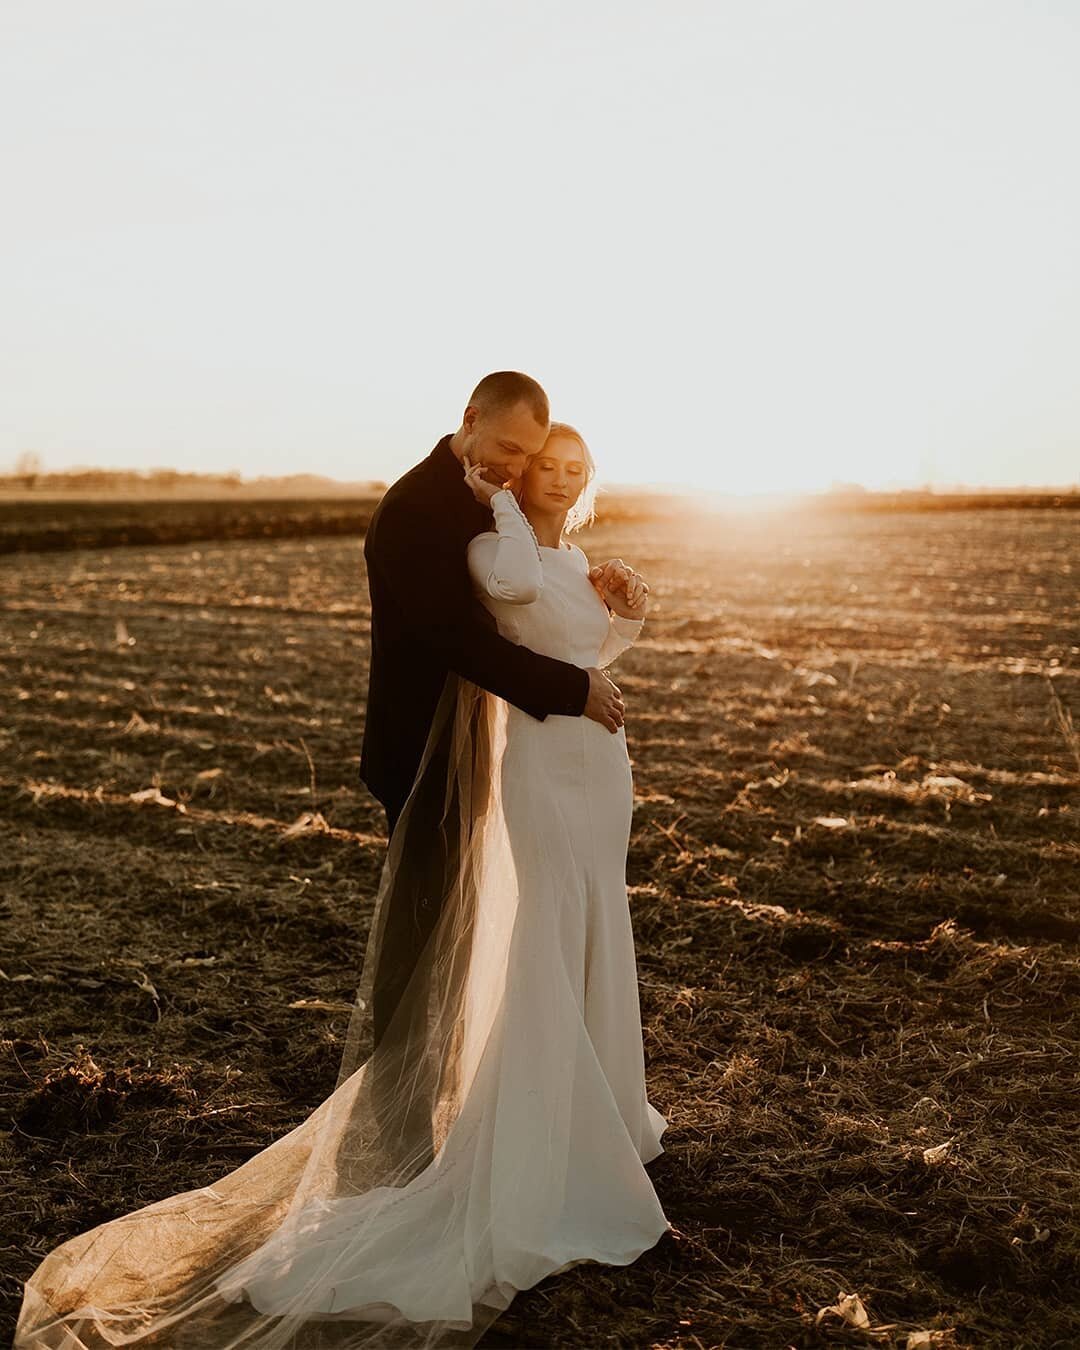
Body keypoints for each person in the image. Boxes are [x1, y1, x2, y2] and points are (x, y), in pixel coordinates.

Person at [14, 397, 671, 1350]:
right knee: (434, 943)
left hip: (516, 751)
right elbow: (462, 637)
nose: (525, 463)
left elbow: (548, 627)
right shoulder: (420, 510)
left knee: (501, 929)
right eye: (515, 449)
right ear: (473, 422)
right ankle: (413, 1138)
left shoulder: (510, 515)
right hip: (430, 755)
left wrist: (599, 628)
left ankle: (479, 1113)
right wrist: (570, 687)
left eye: (539, 453)